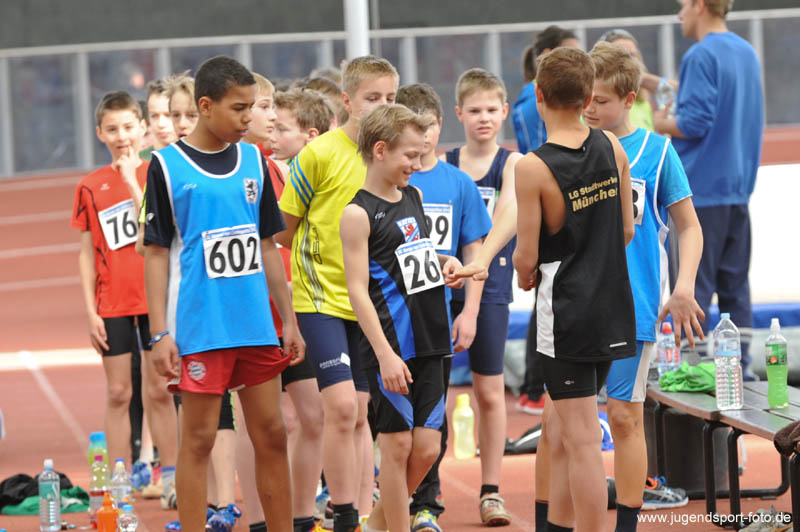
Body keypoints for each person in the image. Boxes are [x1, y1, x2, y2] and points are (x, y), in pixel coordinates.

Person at [143, 55, 305, 532]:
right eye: (238, 108)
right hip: (201, 327)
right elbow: (156, 254)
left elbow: (267, 245)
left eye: (251, 107)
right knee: (199, 440)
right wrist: (159, 333)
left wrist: (288, 320)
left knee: (272, 432)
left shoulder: (254, 162)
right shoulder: (166, 167)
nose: (248, 118)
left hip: (254, 322)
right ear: (206, 106)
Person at [488, 46, 636, 532]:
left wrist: (523, 276)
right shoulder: (612, 146)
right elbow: (627, 229)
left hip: (567, 310)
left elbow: (525, 255)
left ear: (539, 96)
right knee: (567, 428)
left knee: (581, 439)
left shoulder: (533, 167)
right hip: (613, 306)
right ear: (588, 97)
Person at [583, 41, 705, 530]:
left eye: (600, 100)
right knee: (566, 422)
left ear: (629, 99)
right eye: (584, 99)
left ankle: (627, 523)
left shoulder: (657, 153)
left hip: (632, 305)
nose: (590, 108)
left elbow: (689, 226)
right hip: (575, 305)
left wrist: (684, 286)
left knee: (623, 415)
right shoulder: (571, 149)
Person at [276, 55, 399, 532]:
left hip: (368, 304)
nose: (383, 105)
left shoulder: (386, 156)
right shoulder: (320, 154)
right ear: (347, 101)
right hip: (321, 301)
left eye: (391, 97)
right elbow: (285, 230)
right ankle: (342, 513)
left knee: (361, 412)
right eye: (372, 98)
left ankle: (359, 511)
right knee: (342, 407)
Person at [340, 103, 462, 532]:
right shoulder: (356, 214)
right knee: (396, 448)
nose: (417, 162)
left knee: (427, 448)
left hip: (432, 337)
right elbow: (357, 289)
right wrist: (384, 355)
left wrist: (445, 262)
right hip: (392, 343)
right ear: (380, 150)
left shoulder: (414, 196)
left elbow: (414, 255)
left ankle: (376, 525)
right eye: (410, 155)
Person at [70, 90, 179, 509]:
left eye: (129, 127)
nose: (122, 137)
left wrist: (133, 180)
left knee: (159, 389)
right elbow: (86, 253)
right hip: (113, 302)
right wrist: (90, 311)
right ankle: (118, 481)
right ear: (100, 133)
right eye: (112, 129)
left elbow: (158, 228)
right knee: (118, 392)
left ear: (142, 128)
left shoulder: (157, 172)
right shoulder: (90, 186)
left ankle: (171, 476)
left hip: (153, 298)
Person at [395, 82, 491, 532]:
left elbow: (474, 250)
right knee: (390, 415)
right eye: (414, 128)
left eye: (430, 126)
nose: (423, 137)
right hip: (392, 313)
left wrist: (469, 312)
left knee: (432, 415)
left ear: (439, 125)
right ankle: (386, 496)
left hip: (438, 313)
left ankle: (426, 503)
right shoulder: (391, 178)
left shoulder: (458, 183)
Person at [652, 0, 764, 377]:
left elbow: (695, 122)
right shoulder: (746, 52)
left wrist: (659, 122)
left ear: (700, 5)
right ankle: (741, 369)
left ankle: (691, 370)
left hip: (700, 190)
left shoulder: (700, 55)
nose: (679, 14)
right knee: (735, 286)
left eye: (683, 5)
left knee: (692, 286)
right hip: (737, 188)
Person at [242, 75, 330, 532]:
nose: (272, 115)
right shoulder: (236, 169)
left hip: (293, 307)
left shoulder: (279, 170)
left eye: (273, 106)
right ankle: (259, 521)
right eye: (263, 106)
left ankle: (301, 517)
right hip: (254, 313)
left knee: (313, 415)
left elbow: (288, 240)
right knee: (261, 423)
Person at [443, 67, 522, 527]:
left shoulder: (511, 164)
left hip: (489, 287)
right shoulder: (446, 163)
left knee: (490, 392)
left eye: (492, 109)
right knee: (430, 391)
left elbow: (504, 219)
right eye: (474, 110)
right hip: (443, 284)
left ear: (505, 111)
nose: (484, 118)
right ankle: (426, 487)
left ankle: (491, 490)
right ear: (459, 113)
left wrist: (473, 300)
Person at [511, 26, 580, 419]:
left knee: (548, 295)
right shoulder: (534, 103)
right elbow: (551, 154)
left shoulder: (532, 99)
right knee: (547, 297)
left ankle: (540, 387)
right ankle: (536, 388)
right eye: (571, 54)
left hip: (549, 205)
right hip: (549, 209)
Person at [512, 25, 579, 155]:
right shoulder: (533, 99)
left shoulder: (570, 94)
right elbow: (536, 155)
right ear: (547, 54)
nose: (578, 61)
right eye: (571, 54)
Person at [596, 29, 655, 132]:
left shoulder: (644, 103)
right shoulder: (588, 104)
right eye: (620, 55)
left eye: (632, 55)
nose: (629, 61)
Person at [273, 88, 335, 165]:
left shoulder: (324, 169)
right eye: (272, 128)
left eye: (281, 130)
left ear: (311, 135)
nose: (272, 137)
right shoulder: (285, 164)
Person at [140, 79, 178, 161]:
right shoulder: (139, 161)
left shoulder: (198, 157)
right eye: (154, 116)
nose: (161, 124)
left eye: (168, 115)